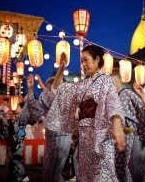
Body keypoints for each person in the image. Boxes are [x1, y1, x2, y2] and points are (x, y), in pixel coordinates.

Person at [44, 45, 126, 182]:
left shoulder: (107, 80)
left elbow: (113, 104)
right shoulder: (82, 84)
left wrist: (117, 127)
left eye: (86, 60)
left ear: (97, 59)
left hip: (100, 133)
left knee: (102, 173)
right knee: (85, 174)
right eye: (81, 61)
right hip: (84, 134)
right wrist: (62, 66)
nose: (83, 64)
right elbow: (57, 89)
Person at [0, 74, 44, 182]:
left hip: (20, 128)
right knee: (14, 154)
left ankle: (22, 175)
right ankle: (14, 176)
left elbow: (31, 100)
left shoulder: (38, 108)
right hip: (19, 127)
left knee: (16, 154)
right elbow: (30, 100)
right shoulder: (34, 105)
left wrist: (30, 88)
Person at [111, 73, 145, 182]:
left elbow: (142, 109)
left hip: (129, 131)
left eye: (113, 81)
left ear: (121, 82)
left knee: (125, 164)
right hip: (115, 134)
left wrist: (141, 130)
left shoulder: (127, 93)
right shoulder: (110, 99)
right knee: (118, 164)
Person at [35, 72, 72, 182]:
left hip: (59, 138)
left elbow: (52, 94)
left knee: (52, 175)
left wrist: (62, 67)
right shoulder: (60, 99)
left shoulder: (60, 99)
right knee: (49, 173)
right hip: (55, 137)